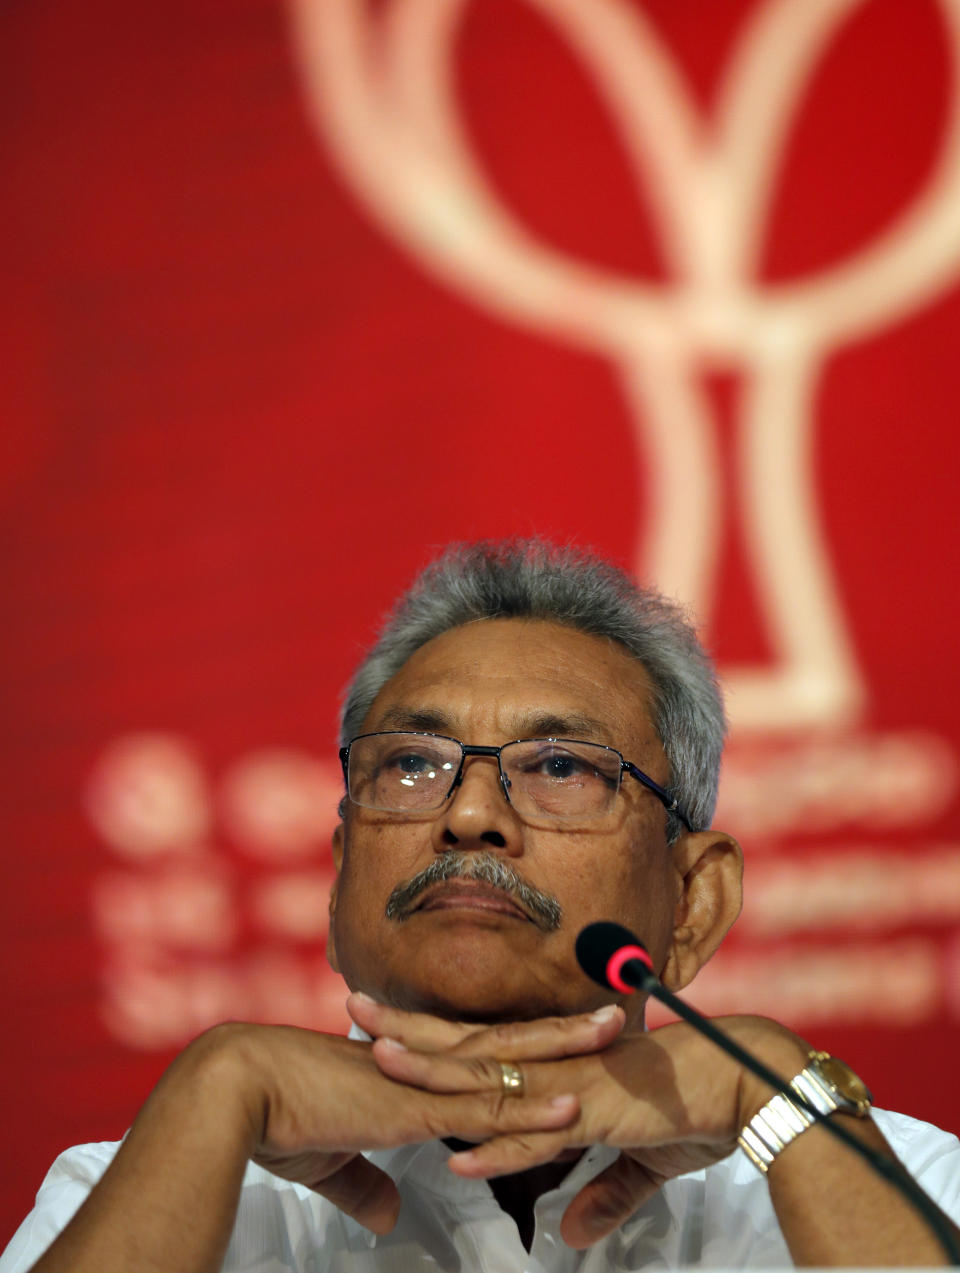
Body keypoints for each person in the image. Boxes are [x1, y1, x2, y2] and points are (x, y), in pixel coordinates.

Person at [3, 539, 960, 1272]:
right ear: (340, 878)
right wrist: (214, 1090)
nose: (467, 813)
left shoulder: (893, 1185)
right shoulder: (162, 1187)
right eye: (412, 763)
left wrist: (783, 1093)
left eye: (559, 767)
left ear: (693, 901)